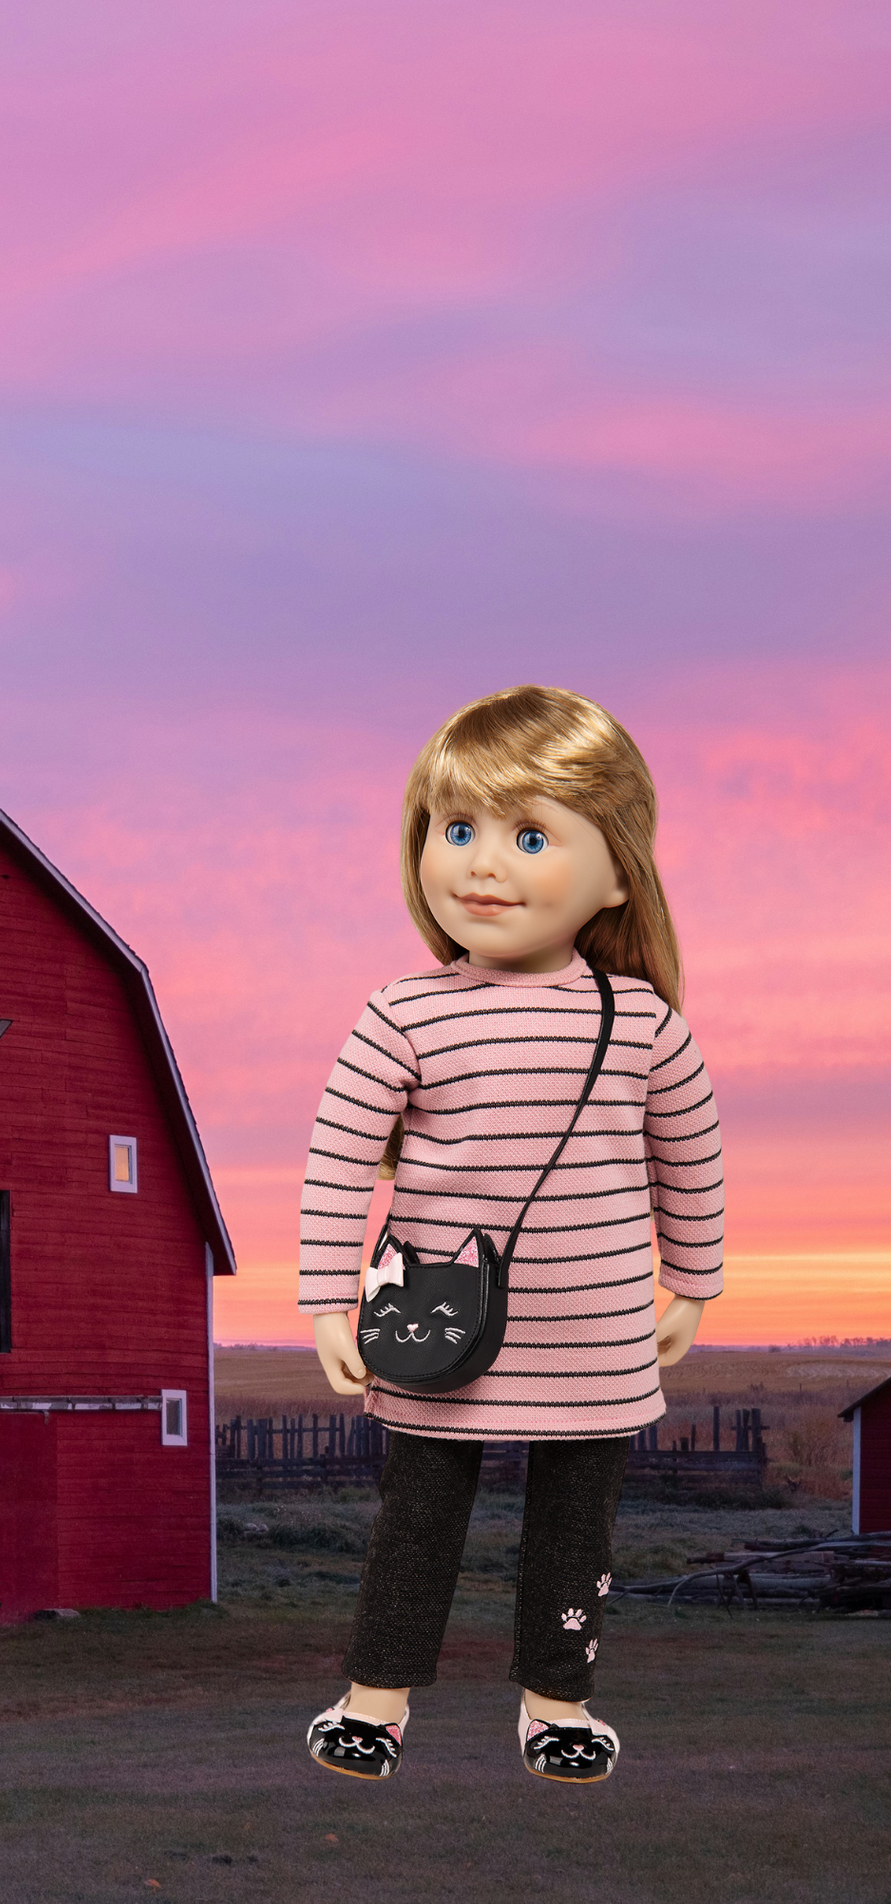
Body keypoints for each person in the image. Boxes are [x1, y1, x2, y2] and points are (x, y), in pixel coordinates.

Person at [298, 684, 723, 1782]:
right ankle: (373, 1700)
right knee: (413, 1526)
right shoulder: (403, 1012)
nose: (481, 863)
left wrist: (692, 1281)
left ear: (616, 872)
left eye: (528, 835)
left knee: (575, 1537)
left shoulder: (639, 1022)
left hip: (595, 1335)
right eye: (455, 829)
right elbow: (339, 1156)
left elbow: (689, 1155)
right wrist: (320, 1294)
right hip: (439, 1323)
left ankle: (556, 1703)